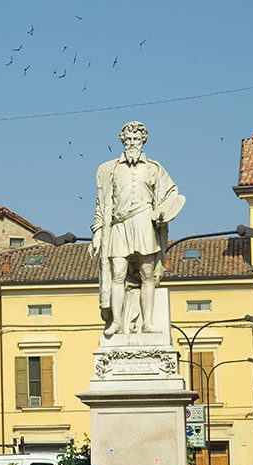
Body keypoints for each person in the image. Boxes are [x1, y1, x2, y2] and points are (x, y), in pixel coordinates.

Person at [90, 121, 184, 336]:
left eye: (136, 139)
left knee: (147, 273)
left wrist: (162, 214)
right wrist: (97, 232)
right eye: (129, 139)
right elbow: (101, 203)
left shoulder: (154, 168)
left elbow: (172, 195)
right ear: (123, 141)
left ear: (143, 141)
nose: (132, 143)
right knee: (118, 273)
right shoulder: (109, 169)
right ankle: (116, 322)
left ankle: (148, 322)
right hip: (118, 225)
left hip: (143, 221)